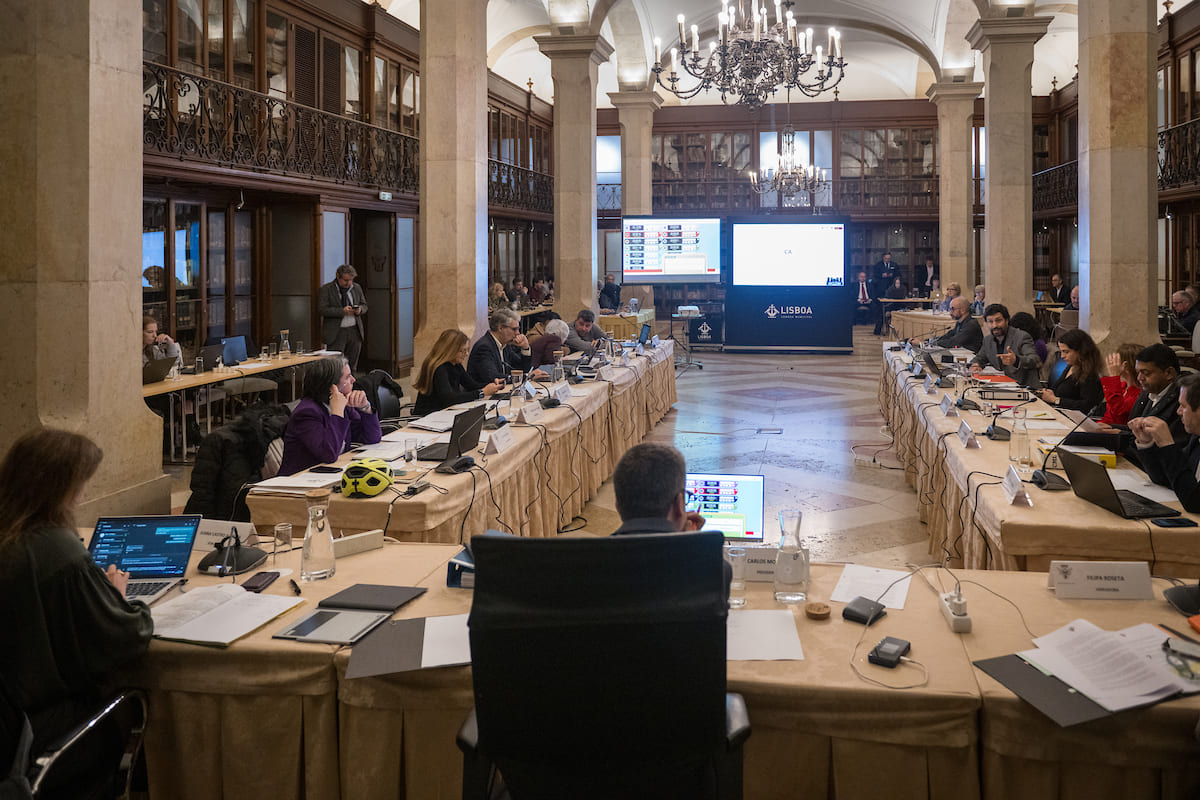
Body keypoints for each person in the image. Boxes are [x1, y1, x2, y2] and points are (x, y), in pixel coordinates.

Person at [0, 429, 153, 799]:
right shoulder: (56, 550)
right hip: (37, 734)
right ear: (63, 488)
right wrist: (117, 595)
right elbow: (125, 636)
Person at [609, 443, 731, 592]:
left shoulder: (585, 564)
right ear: (680, 504)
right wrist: (690, 546)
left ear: (617, 505)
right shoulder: (714, 571)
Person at [184, 402, 292, 521]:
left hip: (235, 515)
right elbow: (202, 495)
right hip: (226, 519)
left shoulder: (267, 436)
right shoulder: (221, 442)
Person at [278, 355, 381, 476]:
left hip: (330, 474)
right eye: (348, 377)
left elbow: (372, 438)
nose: (353, 380)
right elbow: (328, 453)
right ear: (332, 387)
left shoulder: (344, 405)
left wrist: (365, 407)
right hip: (298, 481)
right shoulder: (306, 413)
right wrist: (337, 413)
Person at [1130, 374, 1200, 512]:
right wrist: (1146, 443)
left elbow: (1194, 502)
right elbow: (1164, 478)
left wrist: (1167, 444)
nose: (1178, 412)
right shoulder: (1195, 439)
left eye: (1182, 406)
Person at [412, 329, 504, 416]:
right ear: (450, 350)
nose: (467, 354)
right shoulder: (439, 368)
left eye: (467, 350)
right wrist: (482, 393)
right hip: (429, 417)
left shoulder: (455, 365)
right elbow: (449, 398)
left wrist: (492, 384)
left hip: (444, 413)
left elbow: (471, 385)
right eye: (462, 351)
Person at [969, 303, 1042, 388]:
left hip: (1024, 387)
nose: (995, 325)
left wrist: (1016, 360)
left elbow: (1035, 360)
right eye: (990, 321)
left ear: (1007, 320)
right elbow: (979, 358)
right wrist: (976, 365)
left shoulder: (1021, 336)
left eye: (998, 320)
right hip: (1000, 386)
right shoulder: (988, 340)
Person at [1038, 328, 1103, 412]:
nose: (1062, 356)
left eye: (1066, 352)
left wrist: (1055, 400)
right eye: (1061, 351)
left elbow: (1086, 405)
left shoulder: (1090, 374)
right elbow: (1058, 390)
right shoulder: (1072, 366)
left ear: (1080, 351)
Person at [467, 308, 535, 385]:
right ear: (500, 328)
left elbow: (521, 369)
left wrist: (525, 348)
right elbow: (494, 377)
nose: (518, 333)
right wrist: (527, 377)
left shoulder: (505, 345)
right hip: (485, 395)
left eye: (518, 329)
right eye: (514, 329)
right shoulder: (484, 347)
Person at [318, 264, 367, 370]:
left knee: (352, 366)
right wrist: (342, 311)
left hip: (355, 331)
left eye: (350, 280)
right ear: (337, 276)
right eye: (345, 280)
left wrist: (359, 310)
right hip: (337, 332)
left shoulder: (356, 288)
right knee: (336, 366)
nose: (348, 283)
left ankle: (351, 385)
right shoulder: (327, 289)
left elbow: (364, 305)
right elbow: (322, 309)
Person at [1098, 342, 1144, 426]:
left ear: (1125, 365)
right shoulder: (1122, 386)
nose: (1113, 364)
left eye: (1116, 361)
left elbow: (1119, 411)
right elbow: (1109, 416)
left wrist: (1114, 376)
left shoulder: (1140, 393)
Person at [918, 296, 982, 352]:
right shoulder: (960, 323)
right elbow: (947, 336)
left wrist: (931, 343)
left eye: (953, 309)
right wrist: (927, 342)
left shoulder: (971, 325)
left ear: (962, 310)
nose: (950, 312)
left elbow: (953, 342)